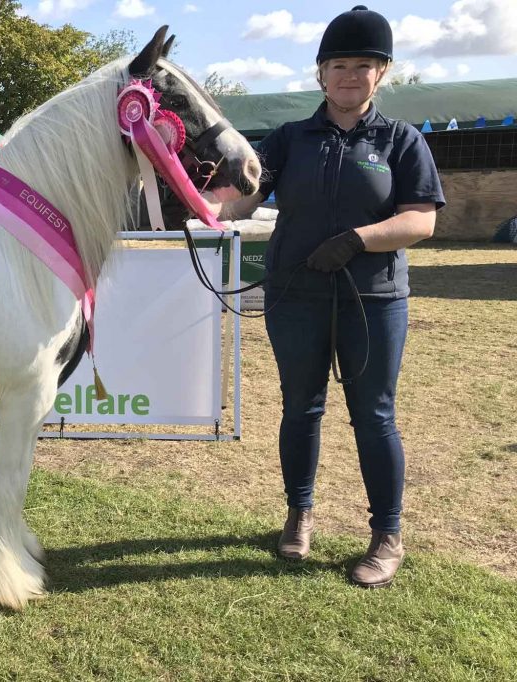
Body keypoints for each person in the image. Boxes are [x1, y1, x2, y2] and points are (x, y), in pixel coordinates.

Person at [207, 5, 445, 588]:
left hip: (375, 299)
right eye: (339, 64)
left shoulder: (402, 141)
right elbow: (240, 201)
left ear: (382, 74)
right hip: (296, 295)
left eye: (364, 65)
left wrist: (358, 240)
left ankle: (387, 534)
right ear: (320, 73)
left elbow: (420, 220)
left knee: (375, 415)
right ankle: (298, 515)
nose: (349, 75)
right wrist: (202, 207)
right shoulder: (290, 139)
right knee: (300, 407)